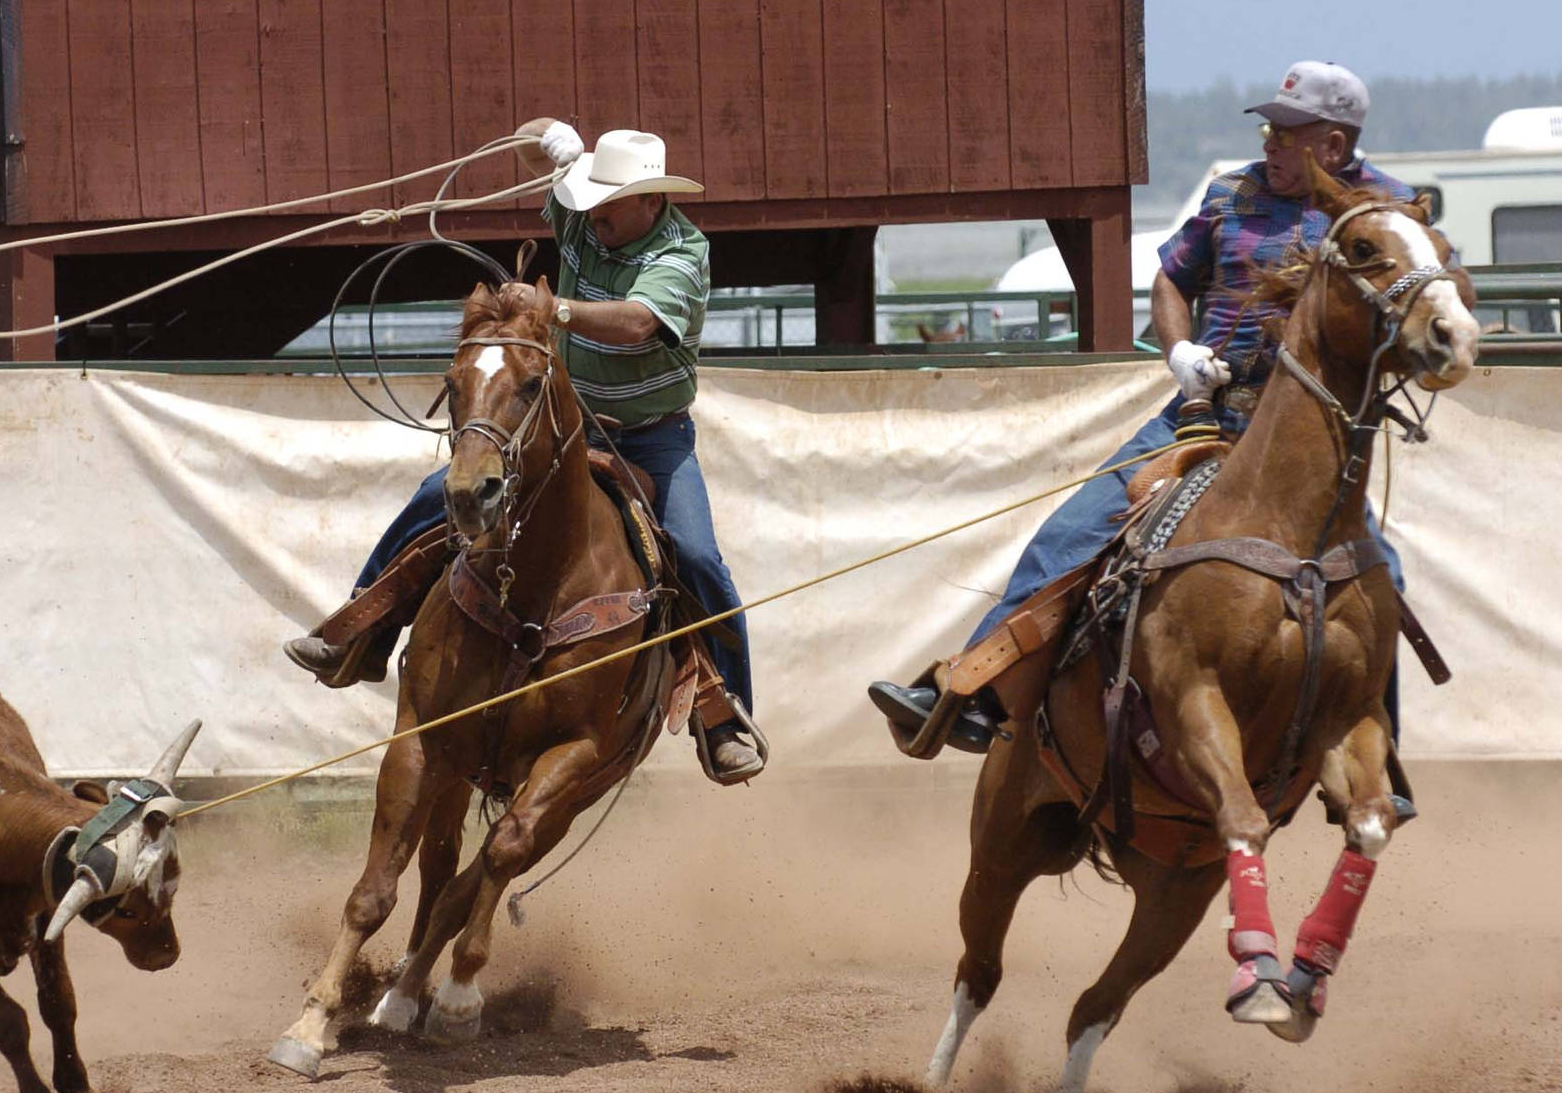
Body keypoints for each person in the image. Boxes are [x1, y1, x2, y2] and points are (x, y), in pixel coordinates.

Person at [870, 60, 1416, 757]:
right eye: (1270, 131)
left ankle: (1377, 749)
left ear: (1333, 146)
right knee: (1072, 531)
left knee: (1381, 585)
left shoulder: (1386, 211)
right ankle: (968, 695)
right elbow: (1172, 276)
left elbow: (1421, 302)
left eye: (1286, 132)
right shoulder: (1230, 194)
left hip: (1312, 444)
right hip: (1204, 413)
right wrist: (1180, 351)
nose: (1270, 143)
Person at [287, 119, 765, 783]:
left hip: (651, 438)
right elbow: (567, 177)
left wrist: (555, 310)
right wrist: (562, 144)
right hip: (565, 423)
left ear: (651, 202)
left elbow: (637, 322)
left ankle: (725, 713)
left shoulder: (681, 253)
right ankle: (361, 627)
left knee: (695, 554)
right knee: (441, 494)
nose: (594, 214)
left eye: (611, 203)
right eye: (591, 200)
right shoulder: (586, 216)